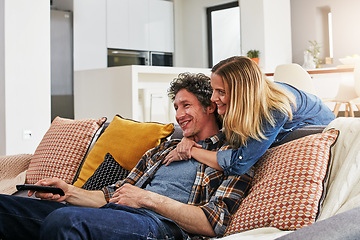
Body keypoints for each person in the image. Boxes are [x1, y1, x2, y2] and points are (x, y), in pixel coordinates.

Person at [0, 73, 252, 240]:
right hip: (117, 213)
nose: (178, 114)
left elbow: (214, 222)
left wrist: (146, 198)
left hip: (161, 227)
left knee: (67, 221)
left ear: (210, 106)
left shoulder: (232, 155)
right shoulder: (162, 150)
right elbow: (114, 194)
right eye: (176, 107)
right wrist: (68, 191)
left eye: (186, 105)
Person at [164, 56, 335, 176]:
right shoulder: (239, 103)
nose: (213, 98)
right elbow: (209, 125)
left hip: (319, 129)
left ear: (241, 94)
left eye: (220, 92)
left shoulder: (273, 110)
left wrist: (191, 151)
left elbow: (239, 164)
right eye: (214, 89)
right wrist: (189, 136)